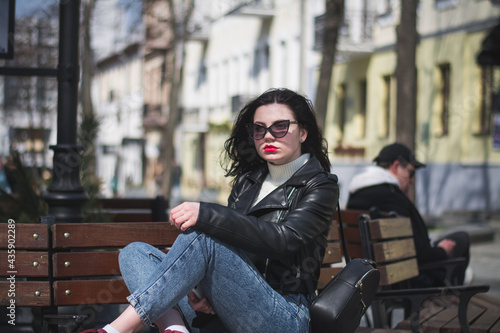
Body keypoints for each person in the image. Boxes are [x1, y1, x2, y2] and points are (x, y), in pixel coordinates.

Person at [81, 88, 339, 333]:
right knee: (134, 253)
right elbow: (233, 251)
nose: (268, 136)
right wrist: (205, 291)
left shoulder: (320, 185)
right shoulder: (248, 181)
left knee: (204, 233)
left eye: (280, 127)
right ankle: (174, 327)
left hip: (283, 315)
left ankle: (115, 329)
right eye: (259, 129)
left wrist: (207, 214)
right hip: (229, 310)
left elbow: (284, 239)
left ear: (303, 132)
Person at [346, 143, 470, 288]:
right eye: (411, 173)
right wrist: (442, 251)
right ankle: (448, 301)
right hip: (407, 278)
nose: (411, 180)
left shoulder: (357, 194)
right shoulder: (391, 196)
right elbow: (420, 253)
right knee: (461, 239)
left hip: (371, 275)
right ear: (396, 166)